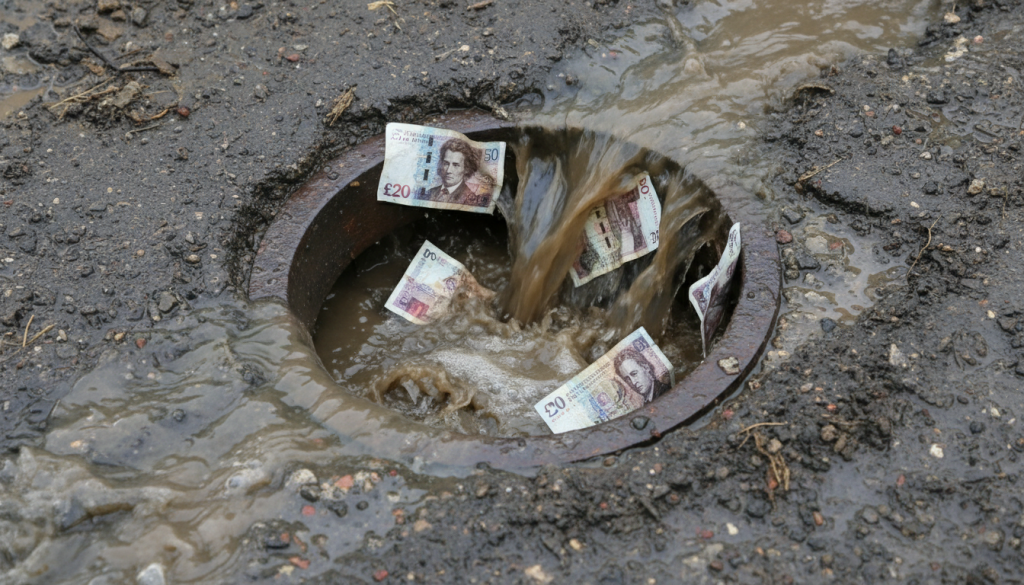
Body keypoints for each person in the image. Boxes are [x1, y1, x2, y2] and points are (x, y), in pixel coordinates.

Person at [419, 138, 491, 207]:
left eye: (456, 165)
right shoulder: (430, 192)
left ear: (466, 169)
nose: (448, 170)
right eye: (446, 163)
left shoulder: (470, 199)